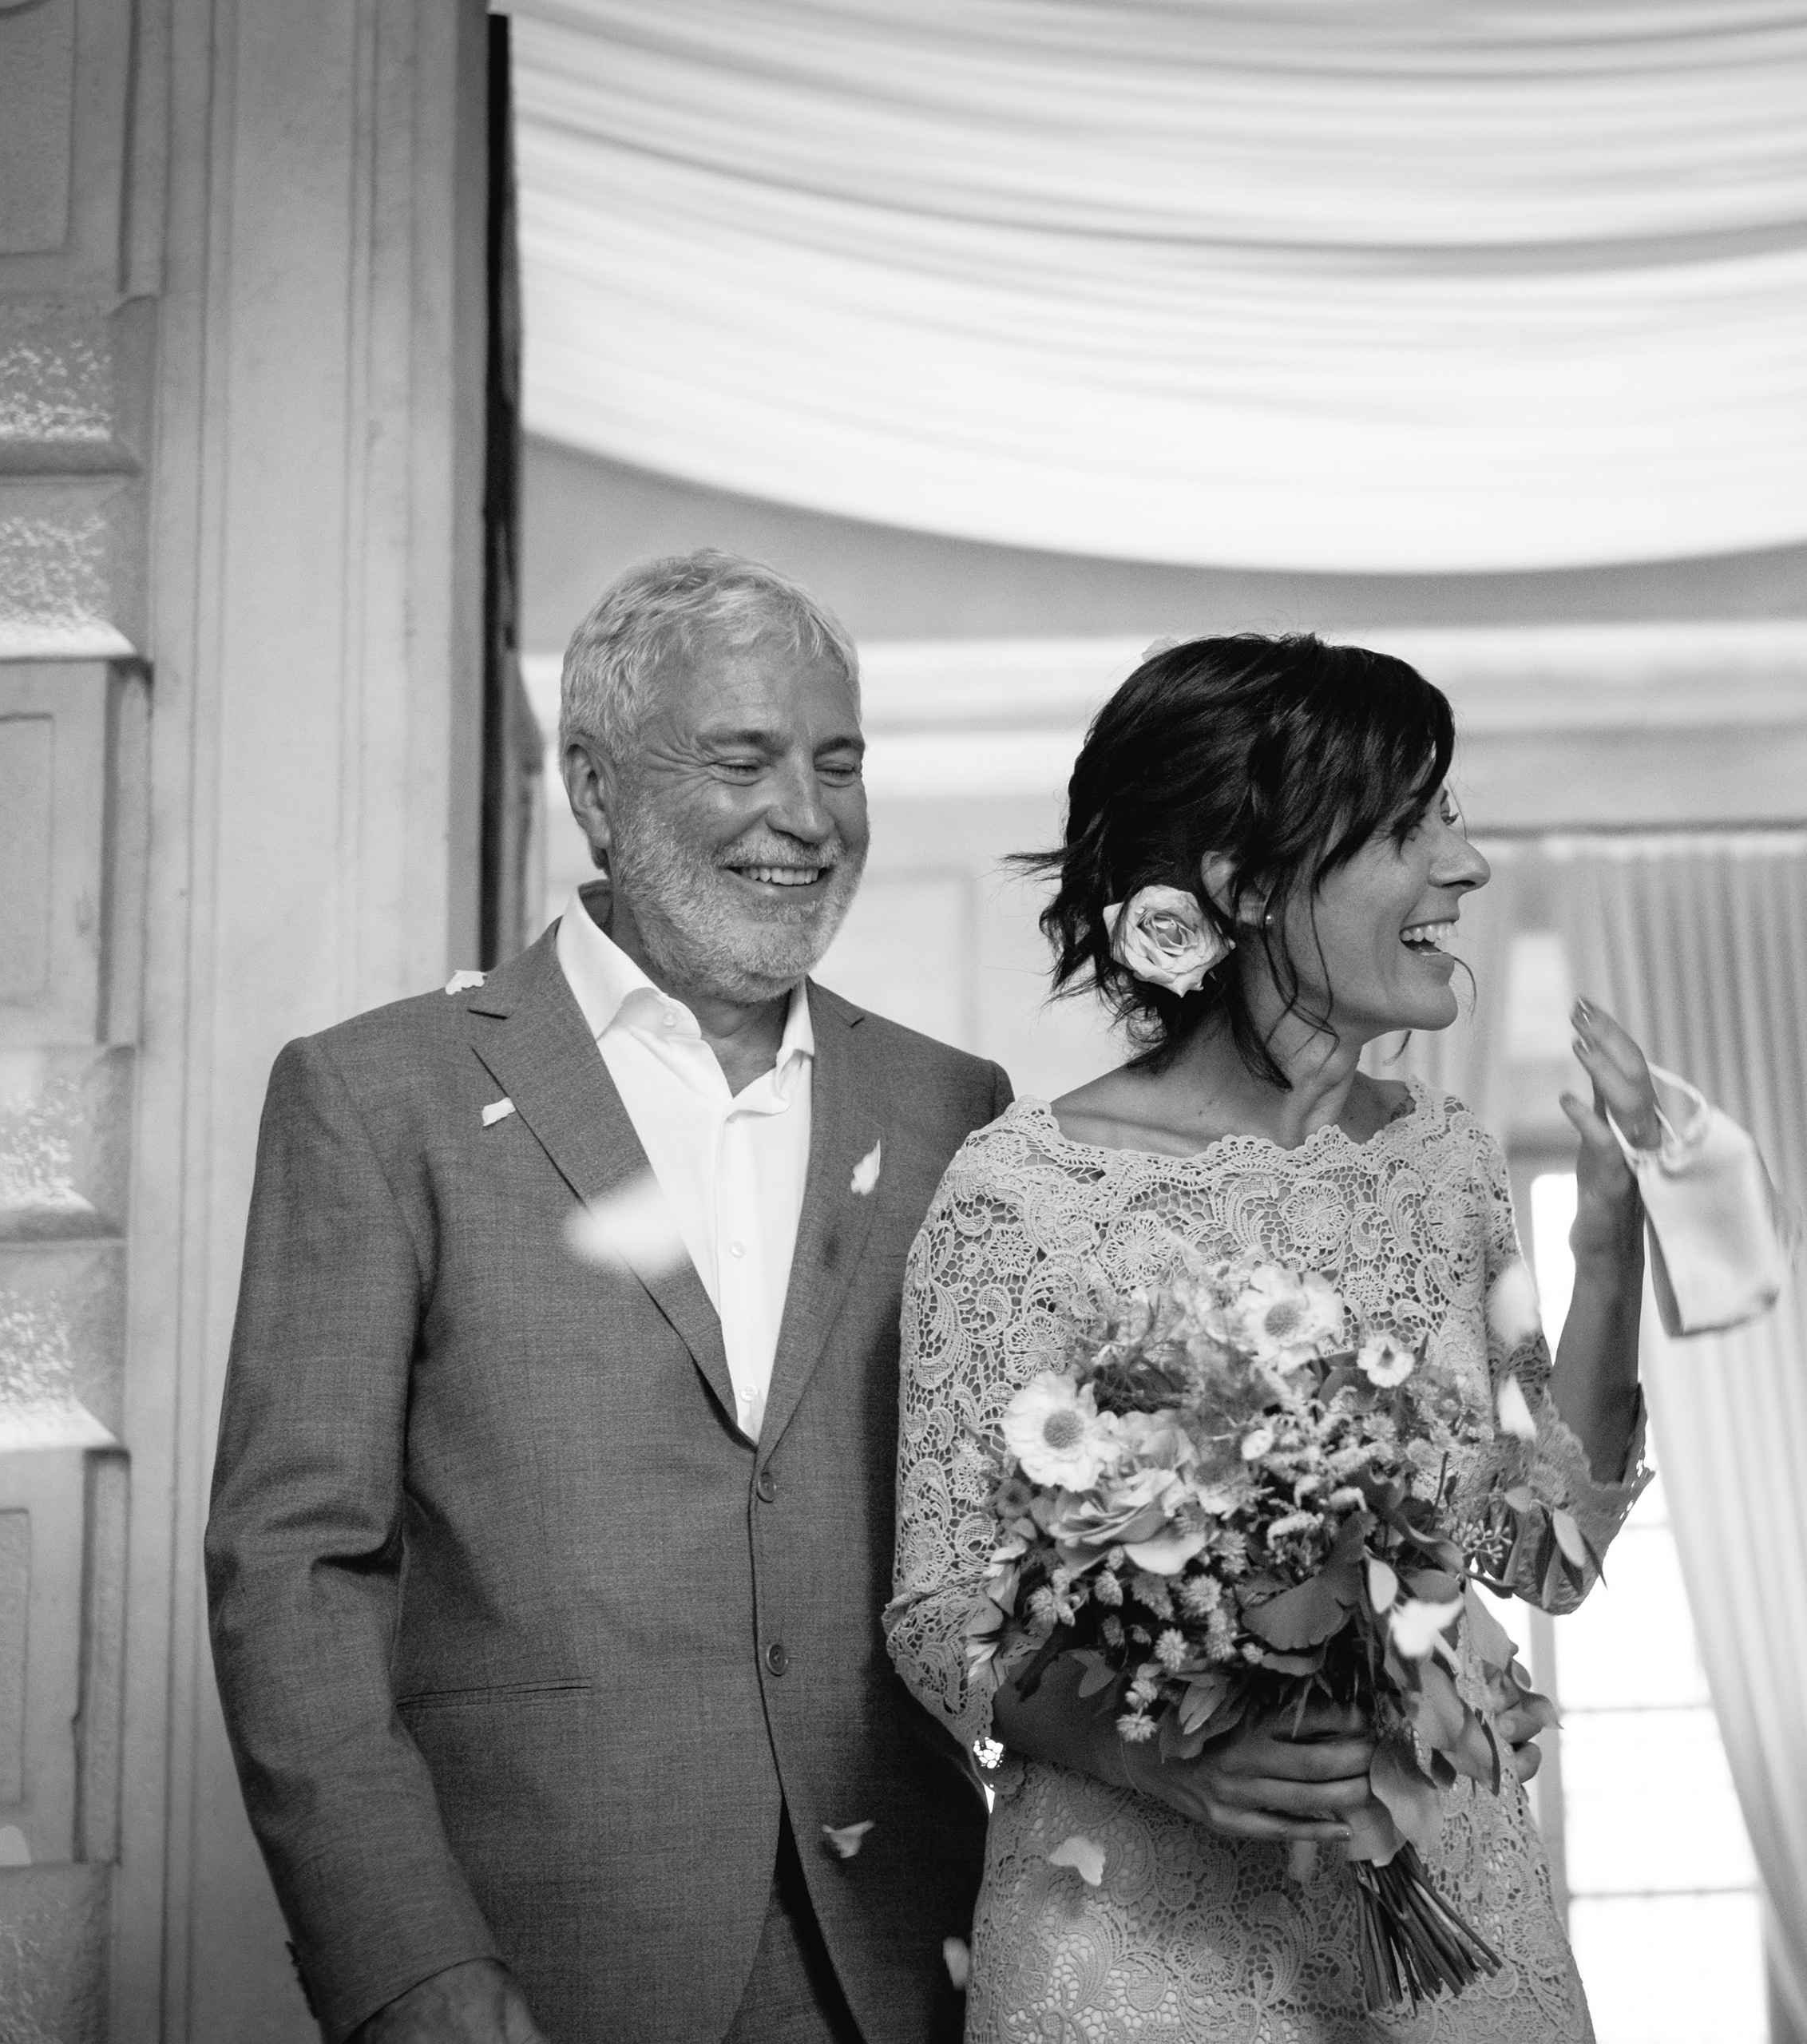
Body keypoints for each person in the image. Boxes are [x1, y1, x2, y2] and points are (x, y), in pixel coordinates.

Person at [208, 552, 1004, 2044]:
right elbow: (293, 1568)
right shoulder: (377, 1096)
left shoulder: (955, 1108)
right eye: (744, 761)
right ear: (594, 787)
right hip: (530, 1955)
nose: (809, 816)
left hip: (908, 1955)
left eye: (839, 764)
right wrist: (403, 1959)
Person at [886, 634, 1657, 2041]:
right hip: (1143, 1946)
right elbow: (940, 1617)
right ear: (1244, 887)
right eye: (1411, 829)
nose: (1466, 866)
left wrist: (1610, 1242)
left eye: (1451, 817)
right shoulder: (1024, 1199)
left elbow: (1546, 1552)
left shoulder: (1450, 1166)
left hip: (1455, 1925)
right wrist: (1170, 1761)